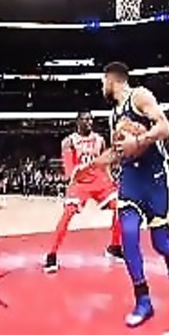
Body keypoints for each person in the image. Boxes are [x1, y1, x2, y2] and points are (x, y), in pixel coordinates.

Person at [103, 61, 169, 327]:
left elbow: (165, 127)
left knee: (161, 244)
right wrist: (94, 165)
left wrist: (139, 140)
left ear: (112, 79)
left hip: (154, 177)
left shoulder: (139, 96)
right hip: (130, 179)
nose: (102, 87)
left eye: (103, 82)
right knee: (128, 234)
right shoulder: (113, 116)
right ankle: (143, 299)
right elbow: (117, 152)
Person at [44, 111, 123, 273]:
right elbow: (69, 172)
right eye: (85, 119)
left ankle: (114, 247)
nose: (89, 122)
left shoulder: (99, 140)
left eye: (90, 119)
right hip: (80, 182)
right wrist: (79, 172)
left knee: (120, 207)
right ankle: (51, 254)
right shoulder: (69, 142)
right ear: (78, 122)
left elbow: (105, 163)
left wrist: (110, 180)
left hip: (99, 181)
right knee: (68, 214)